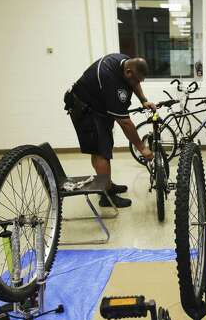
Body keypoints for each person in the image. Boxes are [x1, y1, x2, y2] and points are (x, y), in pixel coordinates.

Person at [65, 54, 155, 208]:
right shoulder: (109, 77)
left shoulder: (126, 63)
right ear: (128, 73)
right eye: (136, 79)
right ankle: (106, 196)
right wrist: (142, 148)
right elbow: (125, 123)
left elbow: (135, 83)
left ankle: (106, 184)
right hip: (86, 110)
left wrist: (143, 99)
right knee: (101, 152)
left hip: (97, 108)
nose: (138, 83)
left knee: (102, 147)